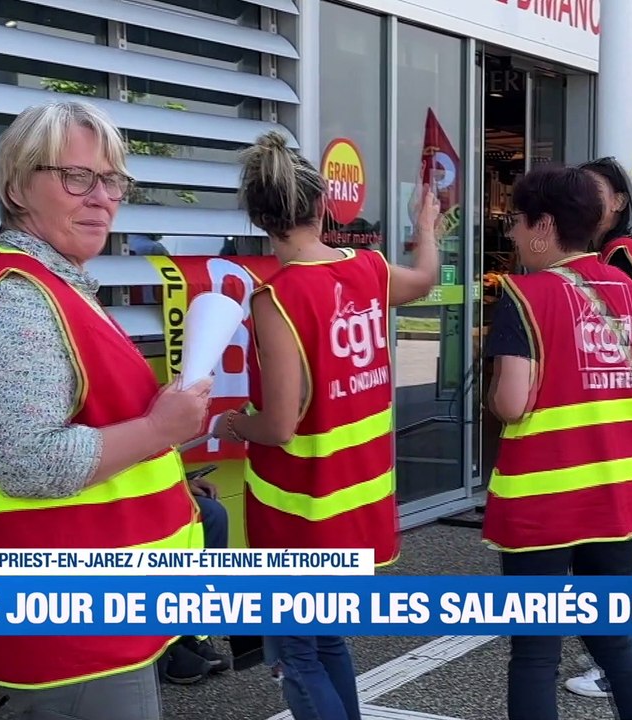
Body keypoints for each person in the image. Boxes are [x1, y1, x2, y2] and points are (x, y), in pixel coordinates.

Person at [0, 100, 212, 719]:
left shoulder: (60, 286)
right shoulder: (20, 301)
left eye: (113, 179)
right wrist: (156, 428)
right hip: (69, 626)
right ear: (16, 186)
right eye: (77, 177)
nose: (102, 197)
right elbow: (29, 464)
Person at [209, 130, 440, 720]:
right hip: (361, 498)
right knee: (327, 638)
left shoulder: (276, 298)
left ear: (260, 219)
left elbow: (281, 425)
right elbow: (425, 278)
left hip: (301, 509)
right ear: (322, 207)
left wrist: (235, 424)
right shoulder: (368, 269)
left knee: (295, 653)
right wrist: (427, 226)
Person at [483, 164, 632, 720]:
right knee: (613, 640)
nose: (511, 234)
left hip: (544, 494)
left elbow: (512, 403)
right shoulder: (627, 291)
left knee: (536, 651)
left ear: (543, 226)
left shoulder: (525, 295)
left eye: (516, 222)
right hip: (620, 488)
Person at [560, 156, 632, 700]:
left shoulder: (615, 255)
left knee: (612, 548)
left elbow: (616, 342)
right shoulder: (628, 251)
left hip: (625, 416)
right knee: (620, 547)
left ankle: (620, 656)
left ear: (619, 203)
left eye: (596, 194)